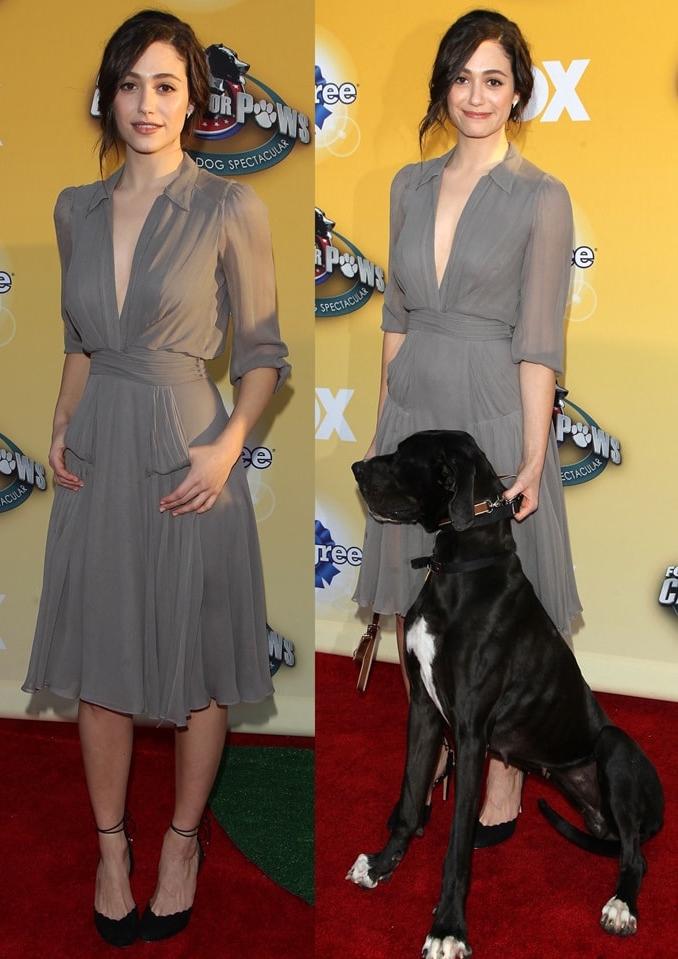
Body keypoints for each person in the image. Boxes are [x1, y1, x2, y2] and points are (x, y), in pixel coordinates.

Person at [22, 9, 289, 947]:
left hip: (190, 454)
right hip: (98, 451)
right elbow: (81, 340)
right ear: (108, 94)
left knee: (198, 666)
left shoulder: (231, 207)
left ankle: (182, 840)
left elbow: (263, 354)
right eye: (129, 84)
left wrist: (228, 446)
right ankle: (110, 846)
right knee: (101, 664)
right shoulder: (72, 207)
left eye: (166, 85)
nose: (145, 103)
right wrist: (60, 419)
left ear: (195, 101)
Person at [354, 9, 581, 845]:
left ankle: (507, 764)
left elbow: (539, 339)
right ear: (442, 88)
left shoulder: (541, 197)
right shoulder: (407, 185)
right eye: (461, 77)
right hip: (415, 407)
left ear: (519, 90)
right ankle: (443, 738)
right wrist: (386, 424)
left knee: (498, 604)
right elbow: (397, 313)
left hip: (490, 405)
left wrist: (532, 452)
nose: (476, 95)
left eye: (494, 78)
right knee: (426, 598)